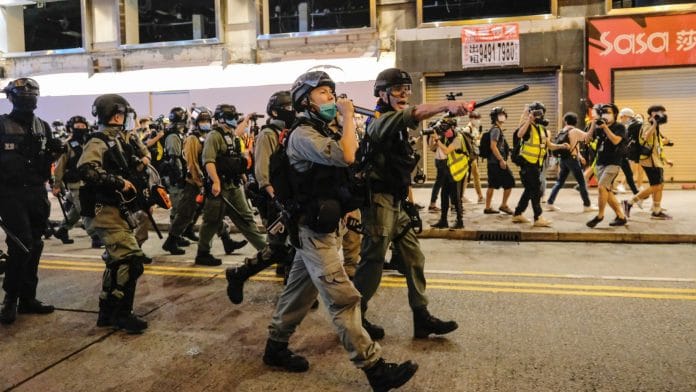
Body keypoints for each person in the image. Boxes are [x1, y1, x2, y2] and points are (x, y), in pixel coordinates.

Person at [263, 70, 418, 392]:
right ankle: (374, 367)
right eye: (323, 93)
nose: (332, 99)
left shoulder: (322, 129)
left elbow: (344, 170)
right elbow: (347, 155)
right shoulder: (304, 135)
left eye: (333, 93)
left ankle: (275, 347)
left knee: (298, 293)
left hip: (323, 227)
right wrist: (348, 117)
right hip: (312, 232)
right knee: (343, 298)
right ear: (305, 100)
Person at [354, 67, 460, 341]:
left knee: (414, 257)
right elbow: (411, 114)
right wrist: (445, 105)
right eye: (398, 89)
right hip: (378, 202)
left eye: (407, 88)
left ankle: (421, 317)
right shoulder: (379, 121)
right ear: (381, 93)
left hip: (396, 200)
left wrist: (409, 204)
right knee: (373, 261)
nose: (405, 93)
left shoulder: (396, 125)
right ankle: (354, 318)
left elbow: (400, 165)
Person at [77, 94, 151, 333]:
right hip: (104, 211)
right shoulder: (99, 141)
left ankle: (107, 311)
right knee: (131, 259)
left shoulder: (118, 140)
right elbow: (87, 169)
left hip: (116, 209)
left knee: (115, 261)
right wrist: (118, 182)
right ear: (117, 116)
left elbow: (129, 166)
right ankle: (122, 313)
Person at [225, 91, 297, 304]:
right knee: (277, 248)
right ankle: (239, 274)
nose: (291, 110)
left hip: (285, 196)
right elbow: (262, 170)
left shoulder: (289, 131)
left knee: (293, 246)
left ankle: (292, 289)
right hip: (273, 199)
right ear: (274, 111)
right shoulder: (269, 134)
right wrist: (275, 196)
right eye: (287, 106)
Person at [0, 78, 60, 324]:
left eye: (31, 93)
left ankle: (28, 298)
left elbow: (45, 164)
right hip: (10, 194)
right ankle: (10, 299)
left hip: (36, 193)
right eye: (23, 94)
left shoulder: (42, 127)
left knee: (35, 245)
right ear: (11, 97)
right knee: (21, 245)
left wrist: (54, 153)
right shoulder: (2, 125)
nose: (28, 98)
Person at [195, 105, 265, 266]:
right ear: (221, 118)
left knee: (246, 218)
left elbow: (233, 154)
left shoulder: (231, 135)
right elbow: (209, 161)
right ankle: (202, 253)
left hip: (234, 185)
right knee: (212, 220)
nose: (234, 119)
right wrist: (216, 182)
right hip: (220, 186)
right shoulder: (214, 136)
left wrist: (242, 176)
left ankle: (266, 249)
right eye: (231, 116)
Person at [162, 107, 213, 255]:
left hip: (198, 180)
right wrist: (198, 181)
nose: (205, 123)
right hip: (191, 181)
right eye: (202, 121)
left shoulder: (202, 136)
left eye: (207, 120)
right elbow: (187, 162)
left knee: (191, 211)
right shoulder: (187, 137)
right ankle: (172, 240)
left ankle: (182, 234)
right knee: (183, 211)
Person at [510, 102, 569, 227]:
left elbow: (549, 145)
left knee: (529, 190)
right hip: (527, 164)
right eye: (537, 113)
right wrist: (528, 119)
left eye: (541, 113)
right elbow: (519, 134)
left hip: (537, 165)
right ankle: (538, 217)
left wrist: (561, 146)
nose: (539, 115)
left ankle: (517, 214)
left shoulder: (542, 129)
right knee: (536, 190)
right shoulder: (528, 127)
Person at [52, 115, 104, 247]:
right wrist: (57, 184)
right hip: (76, 183)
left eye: (83, 126)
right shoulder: (68, 145)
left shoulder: (90, 143)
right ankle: (95, 237)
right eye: (77, 127)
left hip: (90, 182)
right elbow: (60, 167)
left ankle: (63, 230)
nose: (81, 129)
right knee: (86, 210)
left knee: (76, 210)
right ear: (71, 128)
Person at [623, 105, 672, 220]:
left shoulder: (655, 125)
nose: (663, 115)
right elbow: (645, 137)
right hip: (650, 160)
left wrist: (665, 159)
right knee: (656, 186)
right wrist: (654, 124)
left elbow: (657, 145)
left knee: (659, 185)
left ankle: (656, 210)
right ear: (653, 114)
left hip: (656, 160)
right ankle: (630, 202)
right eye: (661, 113)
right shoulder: (647, 124)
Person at [585, 103, 628, 228]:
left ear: (615, 114)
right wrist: (593, 125)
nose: (605, 114)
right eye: (603, 112)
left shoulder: (619, 127)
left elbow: (616, 141)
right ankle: (621, 216)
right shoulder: (598, 127)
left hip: (613, 162)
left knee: (601, 187)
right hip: (600, 163)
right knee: (606, 191)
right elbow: (587, 140)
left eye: (608, 112)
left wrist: (605, 128)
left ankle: (600, 215)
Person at [546, 112, 596, 212]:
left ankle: (550, 203)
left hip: (563, 160)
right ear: (575, 121)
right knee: (582, 182)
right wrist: (593, 125)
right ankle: (587, 205)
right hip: (572, 160)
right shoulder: (575, 131)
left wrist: (580, 156)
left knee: (559, 182)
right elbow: (588, 138)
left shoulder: (562, 131)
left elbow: (573, 146)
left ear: (566, 121)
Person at [430, 117, 465, 229]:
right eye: (443, 130)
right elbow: (433, 148)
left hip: (457, 170)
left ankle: (460, 221)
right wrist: (433, 138)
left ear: (453, 128)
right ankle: (443, 220)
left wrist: (438, 140)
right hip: (448, 169)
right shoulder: (445, 136)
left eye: (447, 129)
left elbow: (446, 150)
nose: (445, 132)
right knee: (444, 195)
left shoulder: (458, 138)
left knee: (455, 197)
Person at [483, 107, 515, 215]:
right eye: (500, 114)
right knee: (510, 181)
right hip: (497, 162)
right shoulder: (496, 129)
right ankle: (504, 205)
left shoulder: (496, 129)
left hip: (492, 162)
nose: (503, 116)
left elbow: (499, 146)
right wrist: (501, 160)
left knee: (491, 184)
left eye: (503, 114)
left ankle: (487, 207)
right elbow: (493, 146)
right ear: (495, 117)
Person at [460, 111, 484, 204]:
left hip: (473, 155)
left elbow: (475, 140)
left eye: (478, 118)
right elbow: (466, 142)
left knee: (473, 175)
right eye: (476, 118)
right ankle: (479, 197)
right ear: (471, 119)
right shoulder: (467, 129)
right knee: (469, 176)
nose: (478, 121)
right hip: (469, 156)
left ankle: (478, 196)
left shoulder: (475, 128)